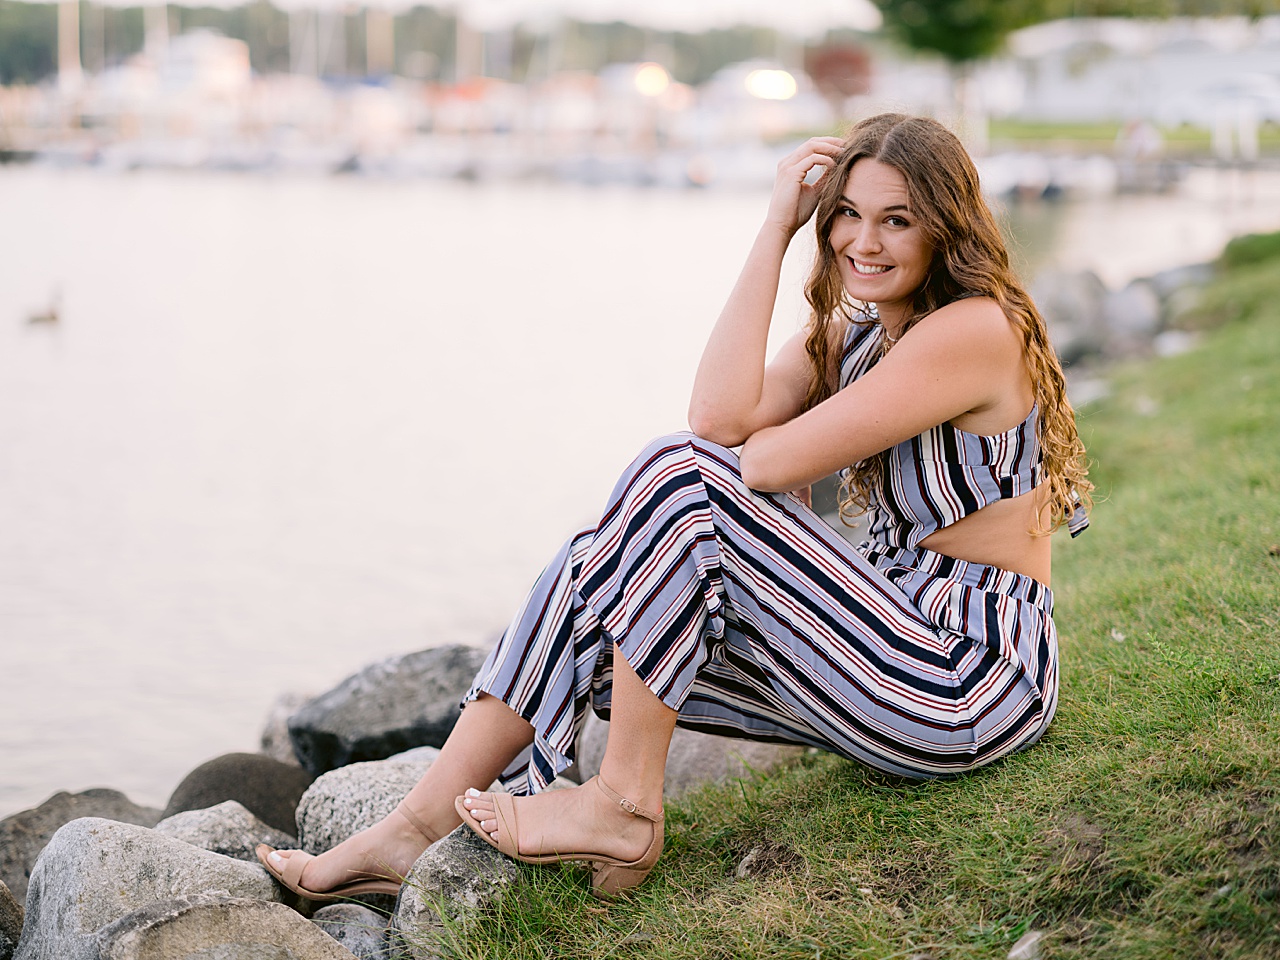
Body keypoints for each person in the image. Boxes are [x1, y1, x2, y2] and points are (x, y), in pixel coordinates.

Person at [257, 113, 1092, 903]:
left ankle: (622, 804)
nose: (861, 242)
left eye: (897, 219)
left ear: (944, 226)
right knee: (594, 569)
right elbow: (719, 417)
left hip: (966, 680)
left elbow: (746, 459)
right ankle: (413, 827)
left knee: (682, 475)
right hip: (882, 649)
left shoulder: (975, 329)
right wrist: (775, 230)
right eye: (844, 215)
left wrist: (737, 476)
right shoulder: (852, 338)